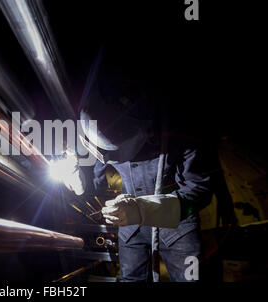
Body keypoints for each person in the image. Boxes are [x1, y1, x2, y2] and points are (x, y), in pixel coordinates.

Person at [60, 54, 218, 282]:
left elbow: (199, 192)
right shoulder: (102, 125)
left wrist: (144, 209)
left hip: (177, 222)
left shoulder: (181, 132)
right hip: (131, 224)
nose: (108, 160)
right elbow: (92, 185)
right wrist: (76, 177)